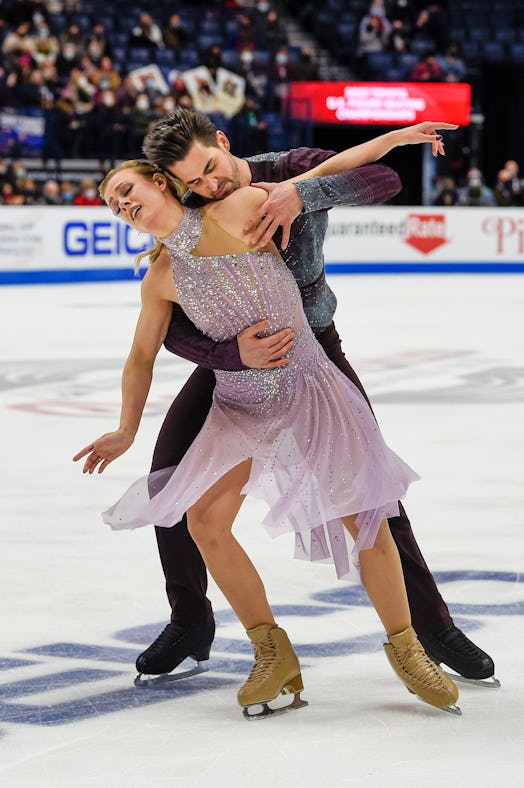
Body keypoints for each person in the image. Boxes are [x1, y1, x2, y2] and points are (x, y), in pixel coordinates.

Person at [75, 159, 460, 718]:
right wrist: (125, 428)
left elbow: (331, 171)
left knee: (366, 517)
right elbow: (141, 357)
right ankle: (272, 654)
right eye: (114, 204)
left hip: (309, 385)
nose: (122, 206)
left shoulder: (236, 208)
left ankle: (408, 649)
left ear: (161, 182)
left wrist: (393, 142)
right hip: (241, 403)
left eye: (126, 191)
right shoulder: (161, 276)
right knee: (204, 522)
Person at [131, 109, 497, 690]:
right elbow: (167, 325)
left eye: (209, 169)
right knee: (170, 478)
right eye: (192, 182)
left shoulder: (283, 171)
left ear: (224, 142)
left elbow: (384, 180)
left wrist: (304, 197)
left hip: (314, 352)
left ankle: (431, 629)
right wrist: (234, 357)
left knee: (371, 487)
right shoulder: (187, 212)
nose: (208, 187)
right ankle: (190, 620)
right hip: (237, 360)